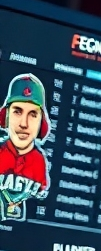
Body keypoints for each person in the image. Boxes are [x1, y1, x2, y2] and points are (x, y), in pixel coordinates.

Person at [0, 73, 51, 221]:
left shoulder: (39, 161)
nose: (24, 124)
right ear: (6, 116)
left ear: (41, 122)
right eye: (17, 111)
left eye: (33, 114)